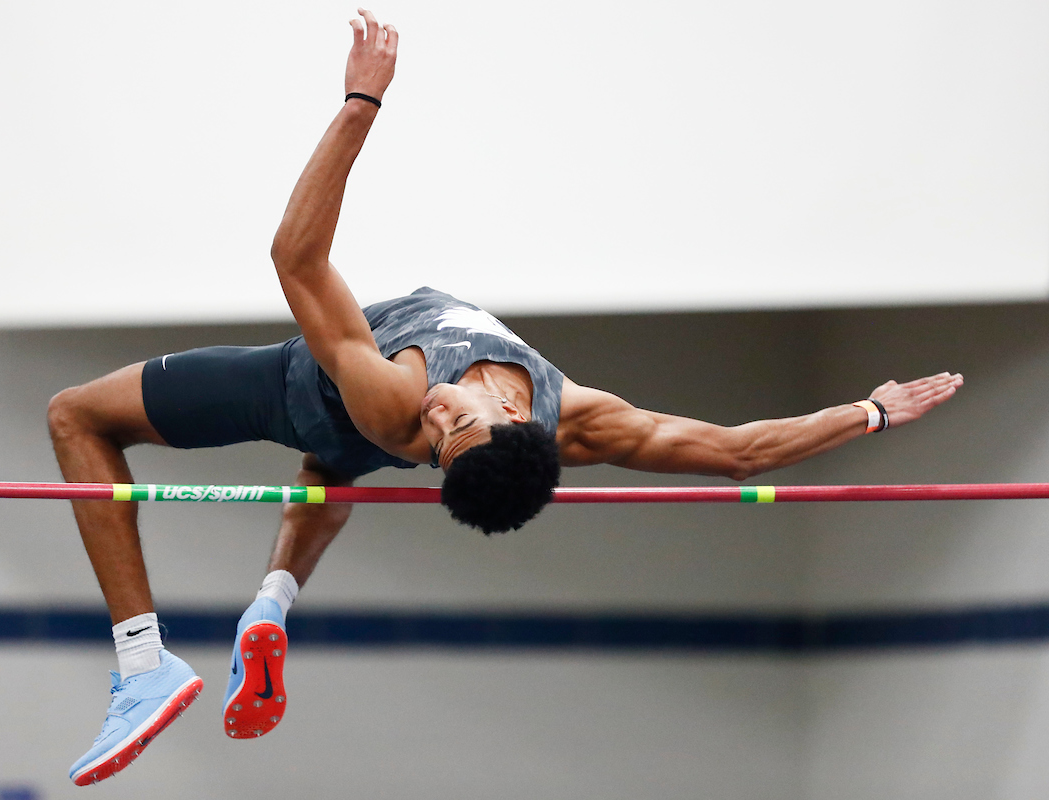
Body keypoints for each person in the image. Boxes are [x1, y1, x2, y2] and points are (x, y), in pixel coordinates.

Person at [47, 9, 963, 785]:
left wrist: (360, 103)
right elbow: (738, 453)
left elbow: (295, 258)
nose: (440, 415)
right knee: (332, 474)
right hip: (352, 435)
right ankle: (271, 606)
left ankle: (142, 664)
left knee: (79, 416)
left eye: (437, 435)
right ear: (523, 418)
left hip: (305, 387)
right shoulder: (586, 421)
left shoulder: (397, 401)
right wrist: (871, 411)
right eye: (457, 425)